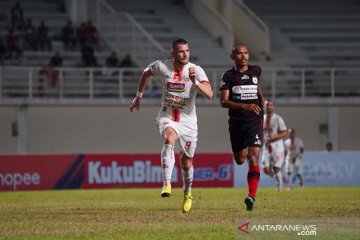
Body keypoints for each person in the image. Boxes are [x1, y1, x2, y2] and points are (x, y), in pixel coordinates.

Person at [130, 38, 213, 213]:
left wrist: (195, 82)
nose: (185, 54)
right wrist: (139, 96)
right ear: (173, 53)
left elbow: (210, 94)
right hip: (167, 115)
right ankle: (166, 184)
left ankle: (187, 193)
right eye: (181, 51)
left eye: (187, 51)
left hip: (188, 122)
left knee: (186, 162)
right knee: (169, 139)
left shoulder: (196, 70)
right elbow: (146, 72)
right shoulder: (162, 66)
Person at [219, 44, 265, 212]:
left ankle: (251, 196)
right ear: (233, 57)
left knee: (254, 157)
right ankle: (246, 161)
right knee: (240, 159)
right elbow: (223, 102)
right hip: (237, 122)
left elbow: (257, 88)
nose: (244, 56)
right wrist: (245, 107)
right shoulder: (228, 76)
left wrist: (263, 104)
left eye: (246, 53)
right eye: (239, 54)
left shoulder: (256, 70)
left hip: (254, 121)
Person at [261, 99, 288, 193]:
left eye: (271, 105)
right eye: (267, 105)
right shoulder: (262, 118)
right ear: (264, 107)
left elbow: (285, 132)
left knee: (276, 168)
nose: (269, 107)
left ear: (273, 107)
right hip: (266, 146)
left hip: (277, 147)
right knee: (266, 170)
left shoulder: (278, 119)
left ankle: (279, 187)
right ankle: (279, 177)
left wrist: (275, 136)